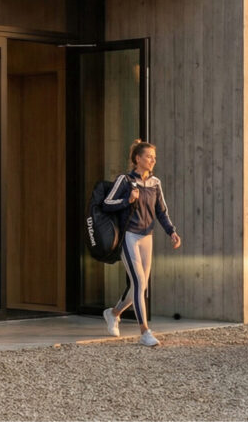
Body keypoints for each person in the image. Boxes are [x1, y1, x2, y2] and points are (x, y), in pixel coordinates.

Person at [101, 139, 181, 347]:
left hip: (147, 237)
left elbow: (161, 211)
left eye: (154, 157)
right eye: (149, 157)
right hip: (129, 236)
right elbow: (106, 203)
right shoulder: (124, 180)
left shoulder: (155, 183)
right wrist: (127, 200)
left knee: (141, 285)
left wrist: (171, 231)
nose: (153, 160)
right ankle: (145, 332)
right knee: (138, 282)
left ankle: (113, 313)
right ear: (138, 159)